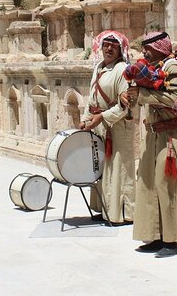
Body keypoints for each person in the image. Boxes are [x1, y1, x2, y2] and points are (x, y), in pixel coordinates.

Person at [120, 31, 177, 258]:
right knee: (149, 184)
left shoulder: (172, 68)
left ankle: (173, 240)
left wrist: (143, 94)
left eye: (146, 49)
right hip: (152, 136)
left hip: (170, 137)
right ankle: (156, 235)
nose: (143, 53)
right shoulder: (154, 68)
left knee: (168, 187)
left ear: (158, 47)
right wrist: (132, 98)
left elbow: (175, 99)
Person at [79, 31, 135, 225]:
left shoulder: (123, 70)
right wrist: (85, 119)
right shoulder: (99, 68)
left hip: (117, 128)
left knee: (118, 169)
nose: (109, 48)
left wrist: (102, 116)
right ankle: (103, 208)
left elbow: (126, 104)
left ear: (120, 49)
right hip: (99, 124)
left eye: (113, 45)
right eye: (106, 45)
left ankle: (122, 213)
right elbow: (92, 98)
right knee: (102, 167)